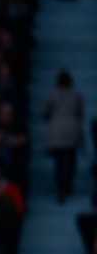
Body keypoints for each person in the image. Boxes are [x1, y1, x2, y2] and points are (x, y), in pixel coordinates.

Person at [43, 69, 84, 204]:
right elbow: (80, 113)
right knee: (70, 160)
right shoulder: (76, 95)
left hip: (56, 132)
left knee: (59, 163)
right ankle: (67, 185)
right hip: (72, 131)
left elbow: (45, 114)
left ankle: (61, 189)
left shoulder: (51, 96)